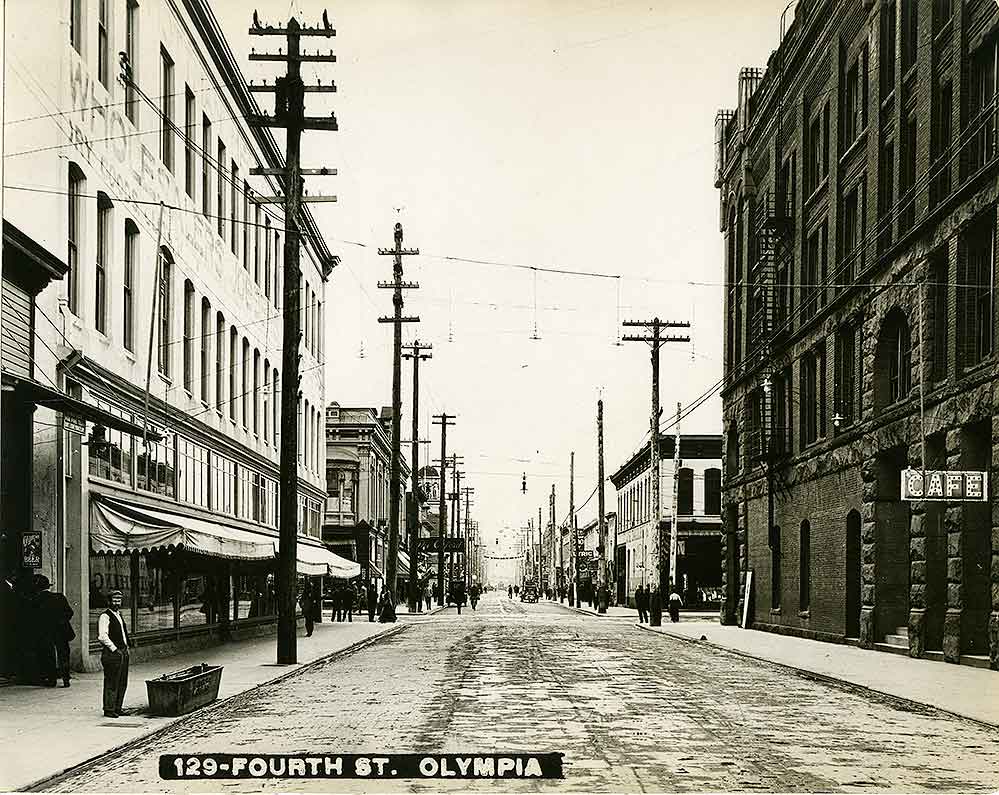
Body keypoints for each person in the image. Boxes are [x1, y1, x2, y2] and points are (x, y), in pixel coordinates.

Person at [35, 575, 74, 687]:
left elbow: (34, 618)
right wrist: (61, 621)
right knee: (64, 654)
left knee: (49, 655)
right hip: (61, 631)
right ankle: (66, 679)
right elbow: (70, 613)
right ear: (48, 587)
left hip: (46, 632)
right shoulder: (60, 597)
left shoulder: (37, 599)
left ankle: (51, 680)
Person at [97, 590, 130, 718]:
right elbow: (102, 636)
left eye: (119, 600)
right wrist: (114, 649)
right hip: (113, 653)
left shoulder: (119, 615)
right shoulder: (105, 616)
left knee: (122, 681)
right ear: (109, 601)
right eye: (114, 600)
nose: (117, 603)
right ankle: (109, 709)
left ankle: (118, 707)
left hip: (123, 651)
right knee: (112, 681)